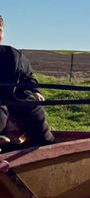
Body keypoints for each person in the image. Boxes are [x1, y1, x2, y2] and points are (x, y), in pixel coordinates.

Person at [0, 15, 54, 148]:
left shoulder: (13, 56)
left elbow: (28, 77)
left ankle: (45, 144)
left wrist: (34, 90)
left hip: (13, 101)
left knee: (32, 105)